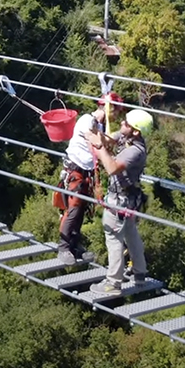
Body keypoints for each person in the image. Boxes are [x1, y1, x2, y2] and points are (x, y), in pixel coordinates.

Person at [91, 108, 154, 295]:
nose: (122, 123)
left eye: (126, 123)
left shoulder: (134, 151)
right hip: (129, 199)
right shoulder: (128, 139)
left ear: (135, 131)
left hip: (120, 200)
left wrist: (100, 148)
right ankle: (140, 274)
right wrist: (96, 130)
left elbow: (111, 167)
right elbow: (110, 138)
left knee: (113, 237)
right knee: (130, 233)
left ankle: (113, 283)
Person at [56, 93, 123, 265]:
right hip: (75, 168)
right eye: (116, 111)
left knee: (82, 209)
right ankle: (63, 247)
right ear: (110, 108)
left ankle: (74, 244)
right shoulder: (87, 120)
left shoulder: (99, 125)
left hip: (86, 171)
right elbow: (91, 141)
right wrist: (105, 153)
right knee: (74, 208)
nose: (116, 115)